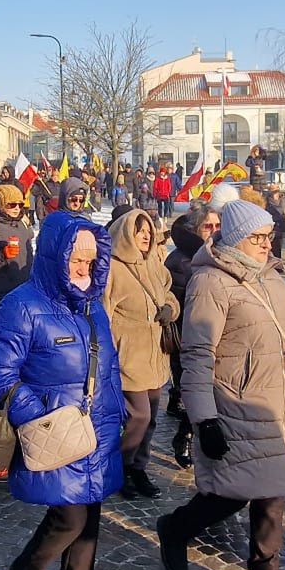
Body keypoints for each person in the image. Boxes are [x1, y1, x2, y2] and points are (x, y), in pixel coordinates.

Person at [156, 200, 285, 570]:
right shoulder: (210, 282)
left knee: (272, 495)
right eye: (257, 238)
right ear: (237, 239)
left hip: (274, 403)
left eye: (268, 237)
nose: (265, 244)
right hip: (234, 404)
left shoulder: (271, 277)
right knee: (230, 494)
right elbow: (197, 354)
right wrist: (202, 418)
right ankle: (177, 527)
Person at [0, 212, 126, 570]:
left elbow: (108, 366)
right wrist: (36, 413)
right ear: (54, 257)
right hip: (55, 427)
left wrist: (120, 411)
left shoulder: (92, 305)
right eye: (76, 261)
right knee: (70, 517)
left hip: (96, 429)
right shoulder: (22, 306)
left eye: (90, 262)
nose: (84, 270)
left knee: (90, 515)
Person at [105, 208, 180, 499]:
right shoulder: (112, 267)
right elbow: (102, 311)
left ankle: (138, 467)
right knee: (138, 416)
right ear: (127, 234)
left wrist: (170, 309)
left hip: (156, 354)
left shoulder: (155, 265)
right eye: (140, 232)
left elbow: (170, 294)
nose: (147, 237)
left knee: (150, 419)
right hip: (129, 355)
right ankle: (120, 467)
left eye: (149, 231)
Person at [164, 206, 219, 455]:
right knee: (196, 388)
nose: (214, 231)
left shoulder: (217, 254)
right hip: (189, 334)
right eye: (208, 226)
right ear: (196, 229)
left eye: (218, 226)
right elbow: (178, 303)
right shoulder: (180, 260)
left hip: (214, 332)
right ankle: (184, 436)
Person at [0, 184, 35, 309]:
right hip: (0, 294)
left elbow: (29, 253)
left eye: (20, 205)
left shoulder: (23, 224)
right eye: (11, 204)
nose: (17, 208)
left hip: (25, 290)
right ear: (2, 204)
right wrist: (1, 255)